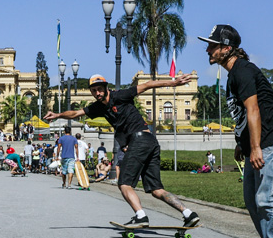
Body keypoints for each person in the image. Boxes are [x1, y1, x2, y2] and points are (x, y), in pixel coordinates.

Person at [44, 74, 200, 229]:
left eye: (99, 89)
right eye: (94, 91)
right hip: (149, 142)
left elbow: (147, 85)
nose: (97, 93)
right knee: (156, 189)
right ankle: (189, 214)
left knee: (124, 183)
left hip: (140, 140)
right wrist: (58, 115)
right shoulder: (98, 107)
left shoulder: (120, 95)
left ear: (106, 88)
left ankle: (141, 216)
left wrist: (173, 83)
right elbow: (76, 113)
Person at [199, 24, 273, 238]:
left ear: (226, 48)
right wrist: (240, 143)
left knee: (266, 199)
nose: (208, 50)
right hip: (258, 145)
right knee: (253, 202)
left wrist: (255, 147)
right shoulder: (234, 75)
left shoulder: (242, 71)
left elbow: (254, 110)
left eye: (212, 45)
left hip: (272, 145)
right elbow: (243, 114)